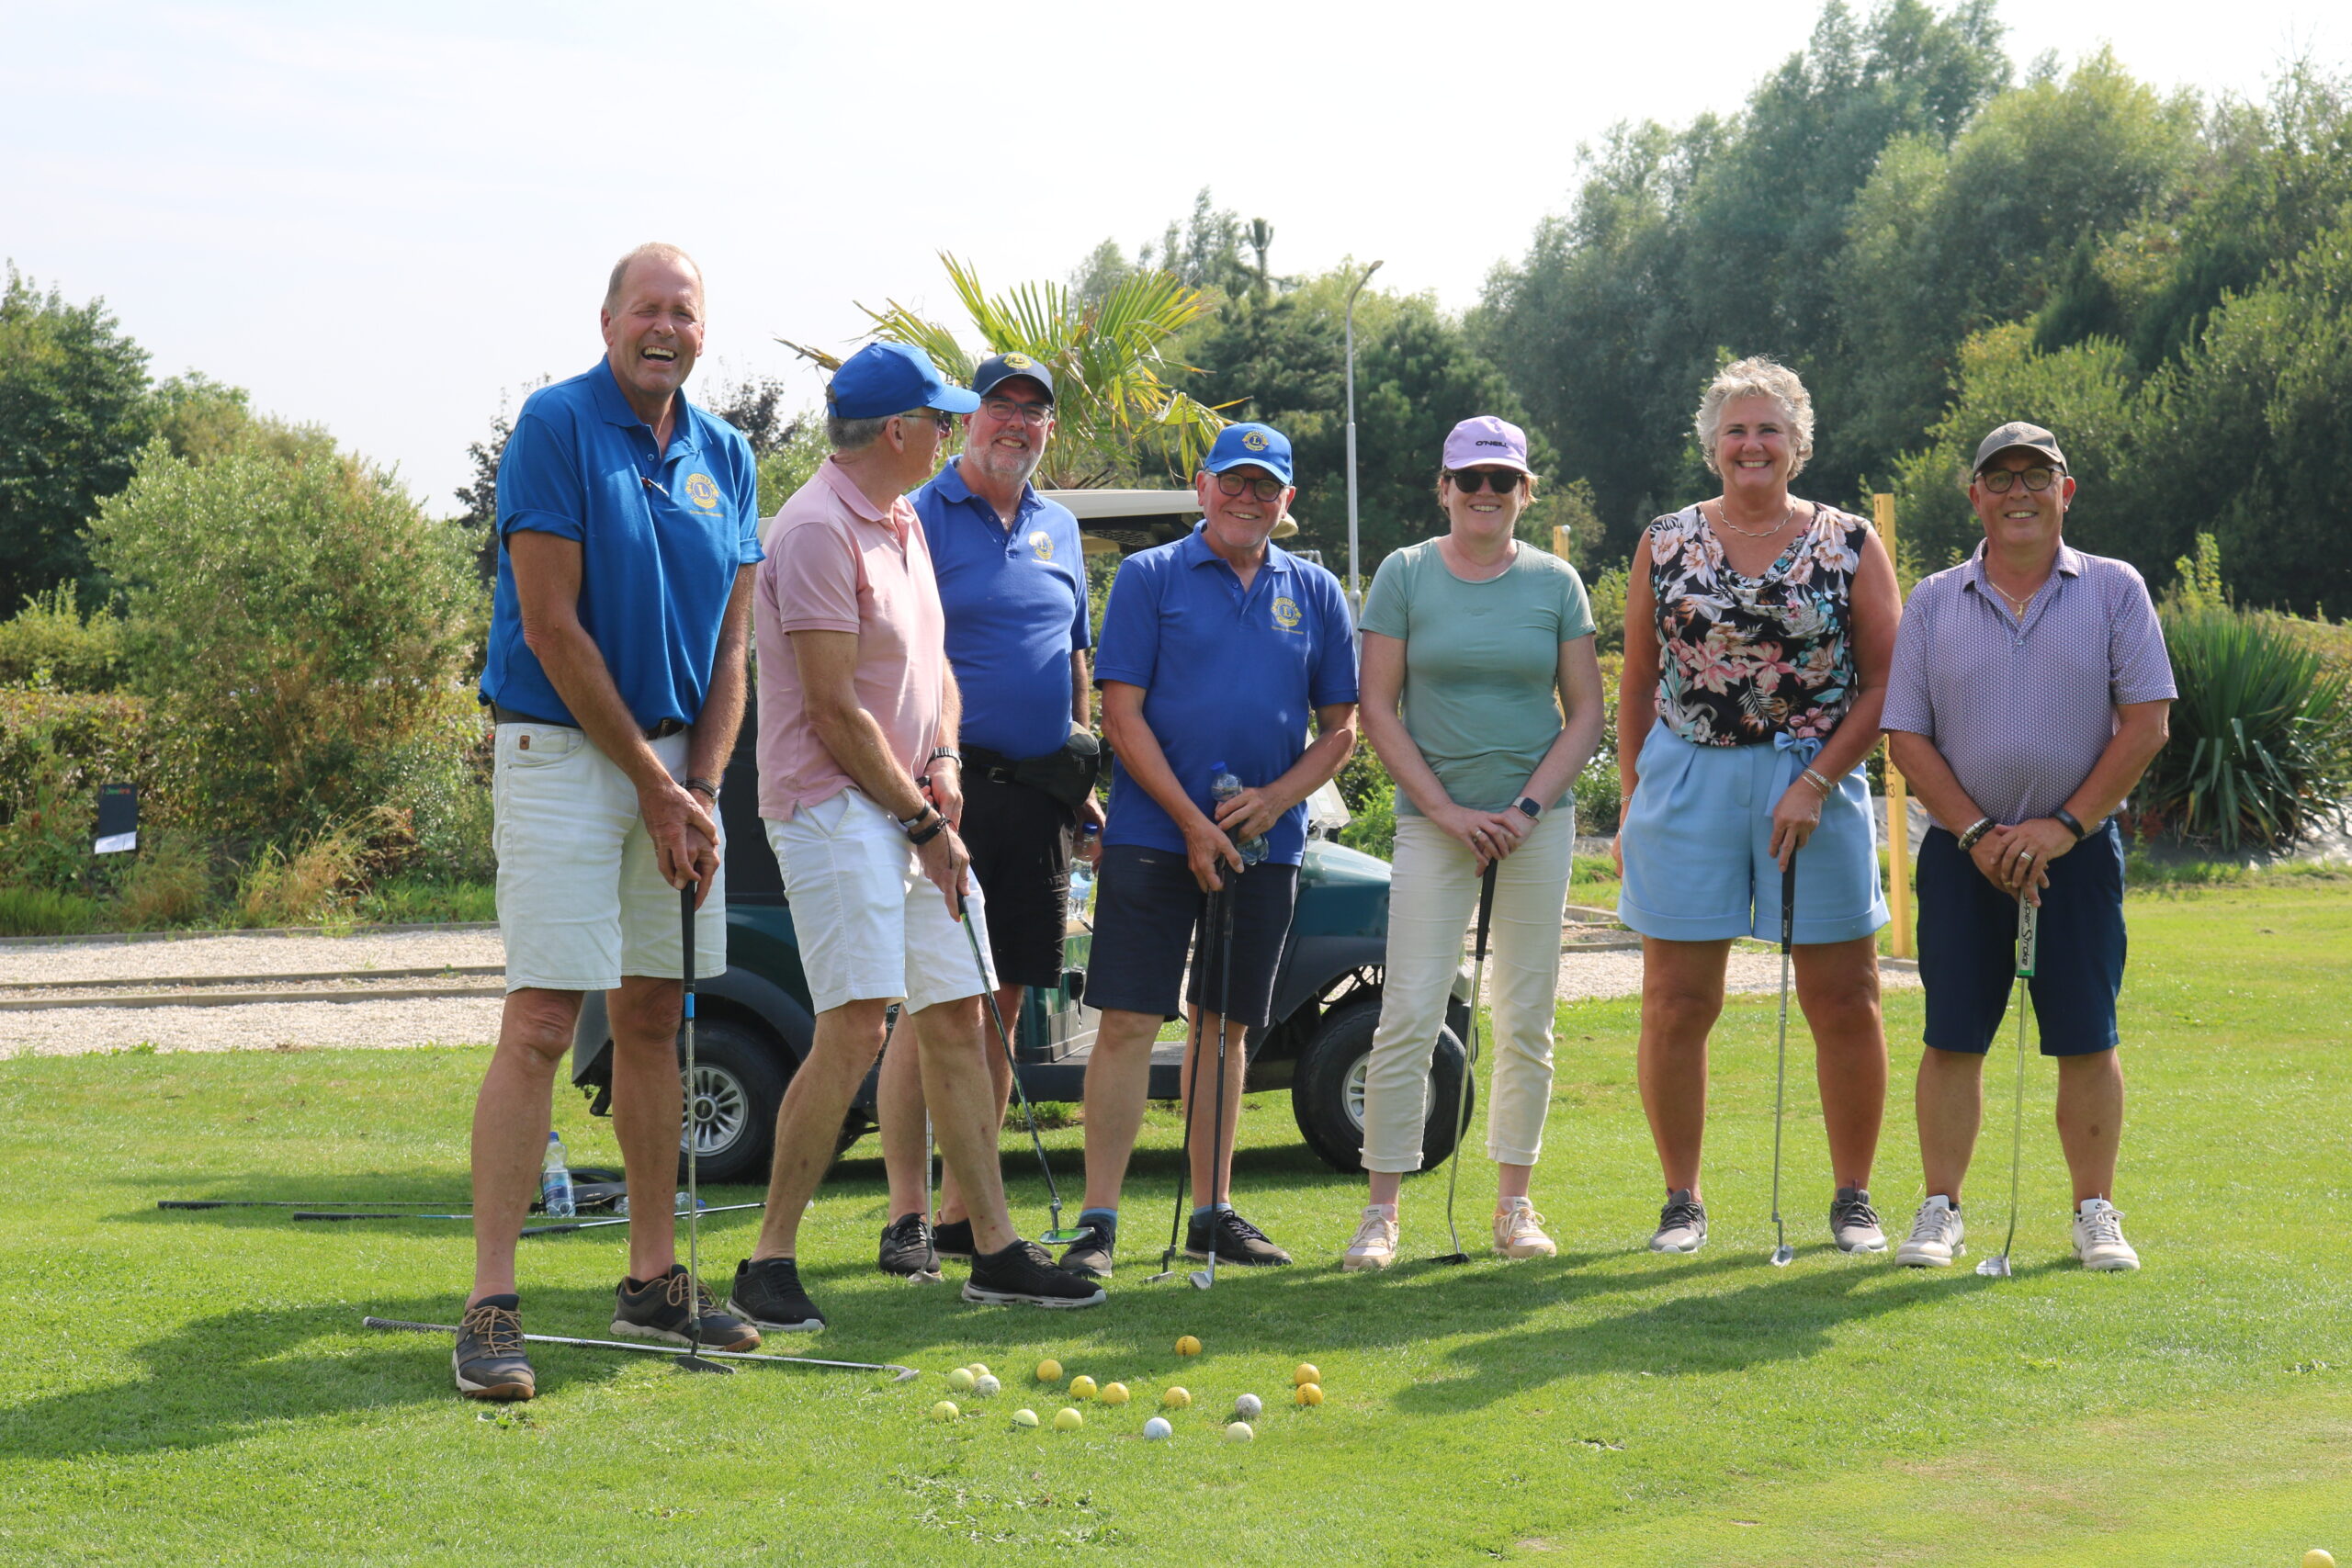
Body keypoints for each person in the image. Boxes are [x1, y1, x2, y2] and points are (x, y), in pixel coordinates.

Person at [727, 341, 1104, 1331]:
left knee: (957, 1013)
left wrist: (939, 761)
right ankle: (768, 1258)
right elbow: (831, 710)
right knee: (857, 1022)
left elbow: (934, 667)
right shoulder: (814, 531)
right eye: (938, 418)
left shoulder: (900, 520)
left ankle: (992, 1250)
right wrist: (927, 820)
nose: (949, 431)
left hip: (908, 801)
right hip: (830, 806)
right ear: (896, 431)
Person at [458, 243, 763, 1400]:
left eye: (683, 313)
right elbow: (550, 624)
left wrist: (702, 788)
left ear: (700, 331)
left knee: (652, 1018)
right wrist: (654, 784)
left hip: (681, 768)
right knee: (542, 1019)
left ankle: (650, 1282)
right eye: (647, 309)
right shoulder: (555, 426)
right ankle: (491, 1305)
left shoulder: (726, 453)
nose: (664, 328)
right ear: (606, 323)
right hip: (561, 752)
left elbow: (731, 647)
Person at [1615, 355, 1903, 1257]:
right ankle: (1680, 1200)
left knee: (1846, 996)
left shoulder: (1849, 540)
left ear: (1799, 444)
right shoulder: (1664, 542)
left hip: (1813, 779)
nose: (1752, 444)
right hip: (1688, 775)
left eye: (1768, 429)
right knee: (1674, 1001)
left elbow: (1889, 681)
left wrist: (1817, 782)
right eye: (1735, 430)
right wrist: (1631, 803)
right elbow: (1635, 679)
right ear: (1712, 447)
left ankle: (1852, 1197)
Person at [1060, 422, 1359, 1276]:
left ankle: (1211, 1211)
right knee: (1124, 1022)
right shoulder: (1151, 578)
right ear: (1203, 484)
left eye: (1266, 487)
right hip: (1156, 836)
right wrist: (1193, 822)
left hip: (1265, 843)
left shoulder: (1317, 589)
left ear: (1286, 501)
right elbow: (1120, 714)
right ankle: (1099, 1222)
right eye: (1234, 480)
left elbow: (1341, 730)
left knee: (1224, 1029)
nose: (1247, 498)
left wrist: (1272, 802)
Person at [1883, 422, 2172, 1271]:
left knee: (2087, 1034)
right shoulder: (1934, 598)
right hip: (1961, 851)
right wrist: (1977, 832)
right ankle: (1941, 1208)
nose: (2018, 492)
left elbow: (2147, 723)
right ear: (1974, 495)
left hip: (2076, 853)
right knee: (1953, 1035)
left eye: (2036, 477)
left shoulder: (2115, 589)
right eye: (1999, 477)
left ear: (2065, 492)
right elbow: (1905, 734)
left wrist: (2062, 825)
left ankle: (2094, 1210)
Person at [1343, 416, 1606, 1269]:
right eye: (1470, 480)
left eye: (1502, 481)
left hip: (1535, 824)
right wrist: (1448, 811)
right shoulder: (1406, 573)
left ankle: (1513, 1205)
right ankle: (1382, 1210)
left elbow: (1587, 715)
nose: (1485, 494)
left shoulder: (1556, 581)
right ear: (1445, 488)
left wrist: (1525, 809)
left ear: (1525, 490)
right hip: (1434, 822)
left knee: (1526, 1015)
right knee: (1410, 1008)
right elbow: (1377, 708)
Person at [871, 352, 1103, 1280]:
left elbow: (1072, 651)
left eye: (1033, 413)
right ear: (968, 418)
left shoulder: (1059, 527)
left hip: (1040, 798)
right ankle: (907, 1215)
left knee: (1002, 1005)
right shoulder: (920, 514)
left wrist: (1080, 759)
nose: (1016, 423)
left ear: (1049, 429)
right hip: (945, 794)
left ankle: (971, 1211)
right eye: (1000, 407)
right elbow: (897, 655)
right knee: (936, 1006)